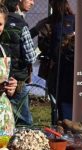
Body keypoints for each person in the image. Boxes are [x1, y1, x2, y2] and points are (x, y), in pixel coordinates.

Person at [0, 0, 37, 126]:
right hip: (18, 80)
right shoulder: (22, 25)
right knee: (23, 121)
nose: (33, 3)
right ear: (17, 5)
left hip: (8, 82)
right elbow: (31, 57)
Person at [0, 3, 17, 136]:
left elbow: (9, 80)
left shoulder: (5, 51)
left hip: (3, 118)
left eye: (0, 24)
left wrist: (12, 88)